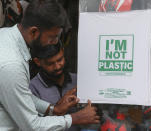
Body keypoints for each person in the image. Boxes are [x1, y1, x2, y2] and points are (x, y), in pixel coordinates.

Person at [0, 0, 99, 130]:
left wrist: (53, 109)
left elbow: (20, 96)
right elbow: (32, 126)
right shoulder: (11, 65)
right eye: (52, 38)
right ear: (34, 32)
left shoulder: (6, 35)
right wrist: (75, 118)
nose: (54, 43)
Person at [29, 42, 80, 130]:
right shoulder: (31, 89)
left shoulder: (78, 81)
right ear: (37, 62)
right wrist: (59, 106)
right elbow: (34, 126)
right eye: (50, 63)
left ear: (63, 52)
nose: (57, 67)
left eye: (60, 60)